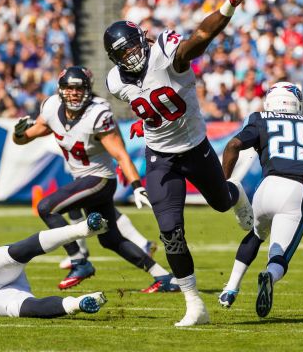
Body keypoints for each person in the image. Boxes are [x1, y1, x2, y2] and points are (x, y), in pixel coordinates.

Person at [103, 0, 260, 326]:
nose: (130, 53)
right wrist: (147, 120)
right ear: (114, 58)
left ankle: (236, 196)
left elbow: (200, 38)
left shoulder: (165, 51)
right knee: (171, 231)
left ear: (141, 40)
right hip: (159, 157)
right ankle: (194, 304)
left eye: (132, 45)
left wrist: (230, 4)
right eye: (122, 51)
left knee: (220, 202)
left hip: (194, 147)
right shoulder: (116, 82)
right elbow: (145, 100)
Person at [13, 66, 179, 293]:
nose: (74, 93)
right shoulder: (51, 108)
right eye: (69, 89)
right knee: (110, 239)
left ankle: (79, 261)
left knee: (46, 207)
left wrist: (137, 185)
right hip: (84, 179)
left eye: (79, 89)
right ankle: (162, 276)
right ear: (60, 91)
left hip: (100, 179)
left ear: (87, 91)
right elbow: (25, 138)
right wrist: (18, 132)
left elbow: (120, 152)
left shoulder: (97, 114)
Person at [218, 82, 303, 317]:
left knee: (255, 235)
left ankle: (230, 288)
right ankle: (269, 277)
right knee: (279, 256)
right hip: (296, 191)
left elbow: (233, 145)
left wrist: (223, 183)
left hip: (266, 188)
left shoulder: (261, 119)